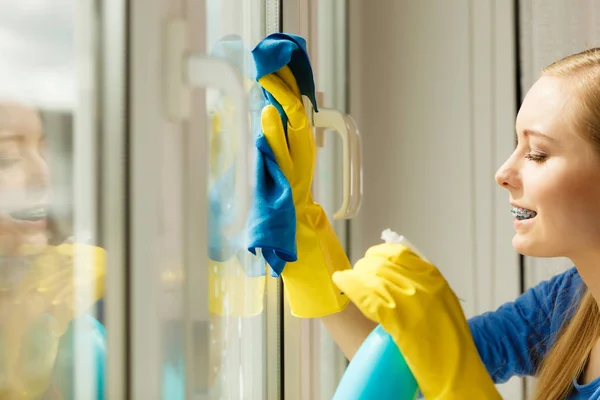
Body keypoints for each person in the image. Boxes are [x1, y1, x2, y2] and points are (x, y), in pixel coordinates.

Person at [318, 47, 600, 399]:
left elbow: (448, 373)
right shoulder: (571, 300)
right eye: (517, 145)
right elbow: (412, 371)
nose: (503, 173)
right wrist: (309, 251)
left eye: (537, 154)